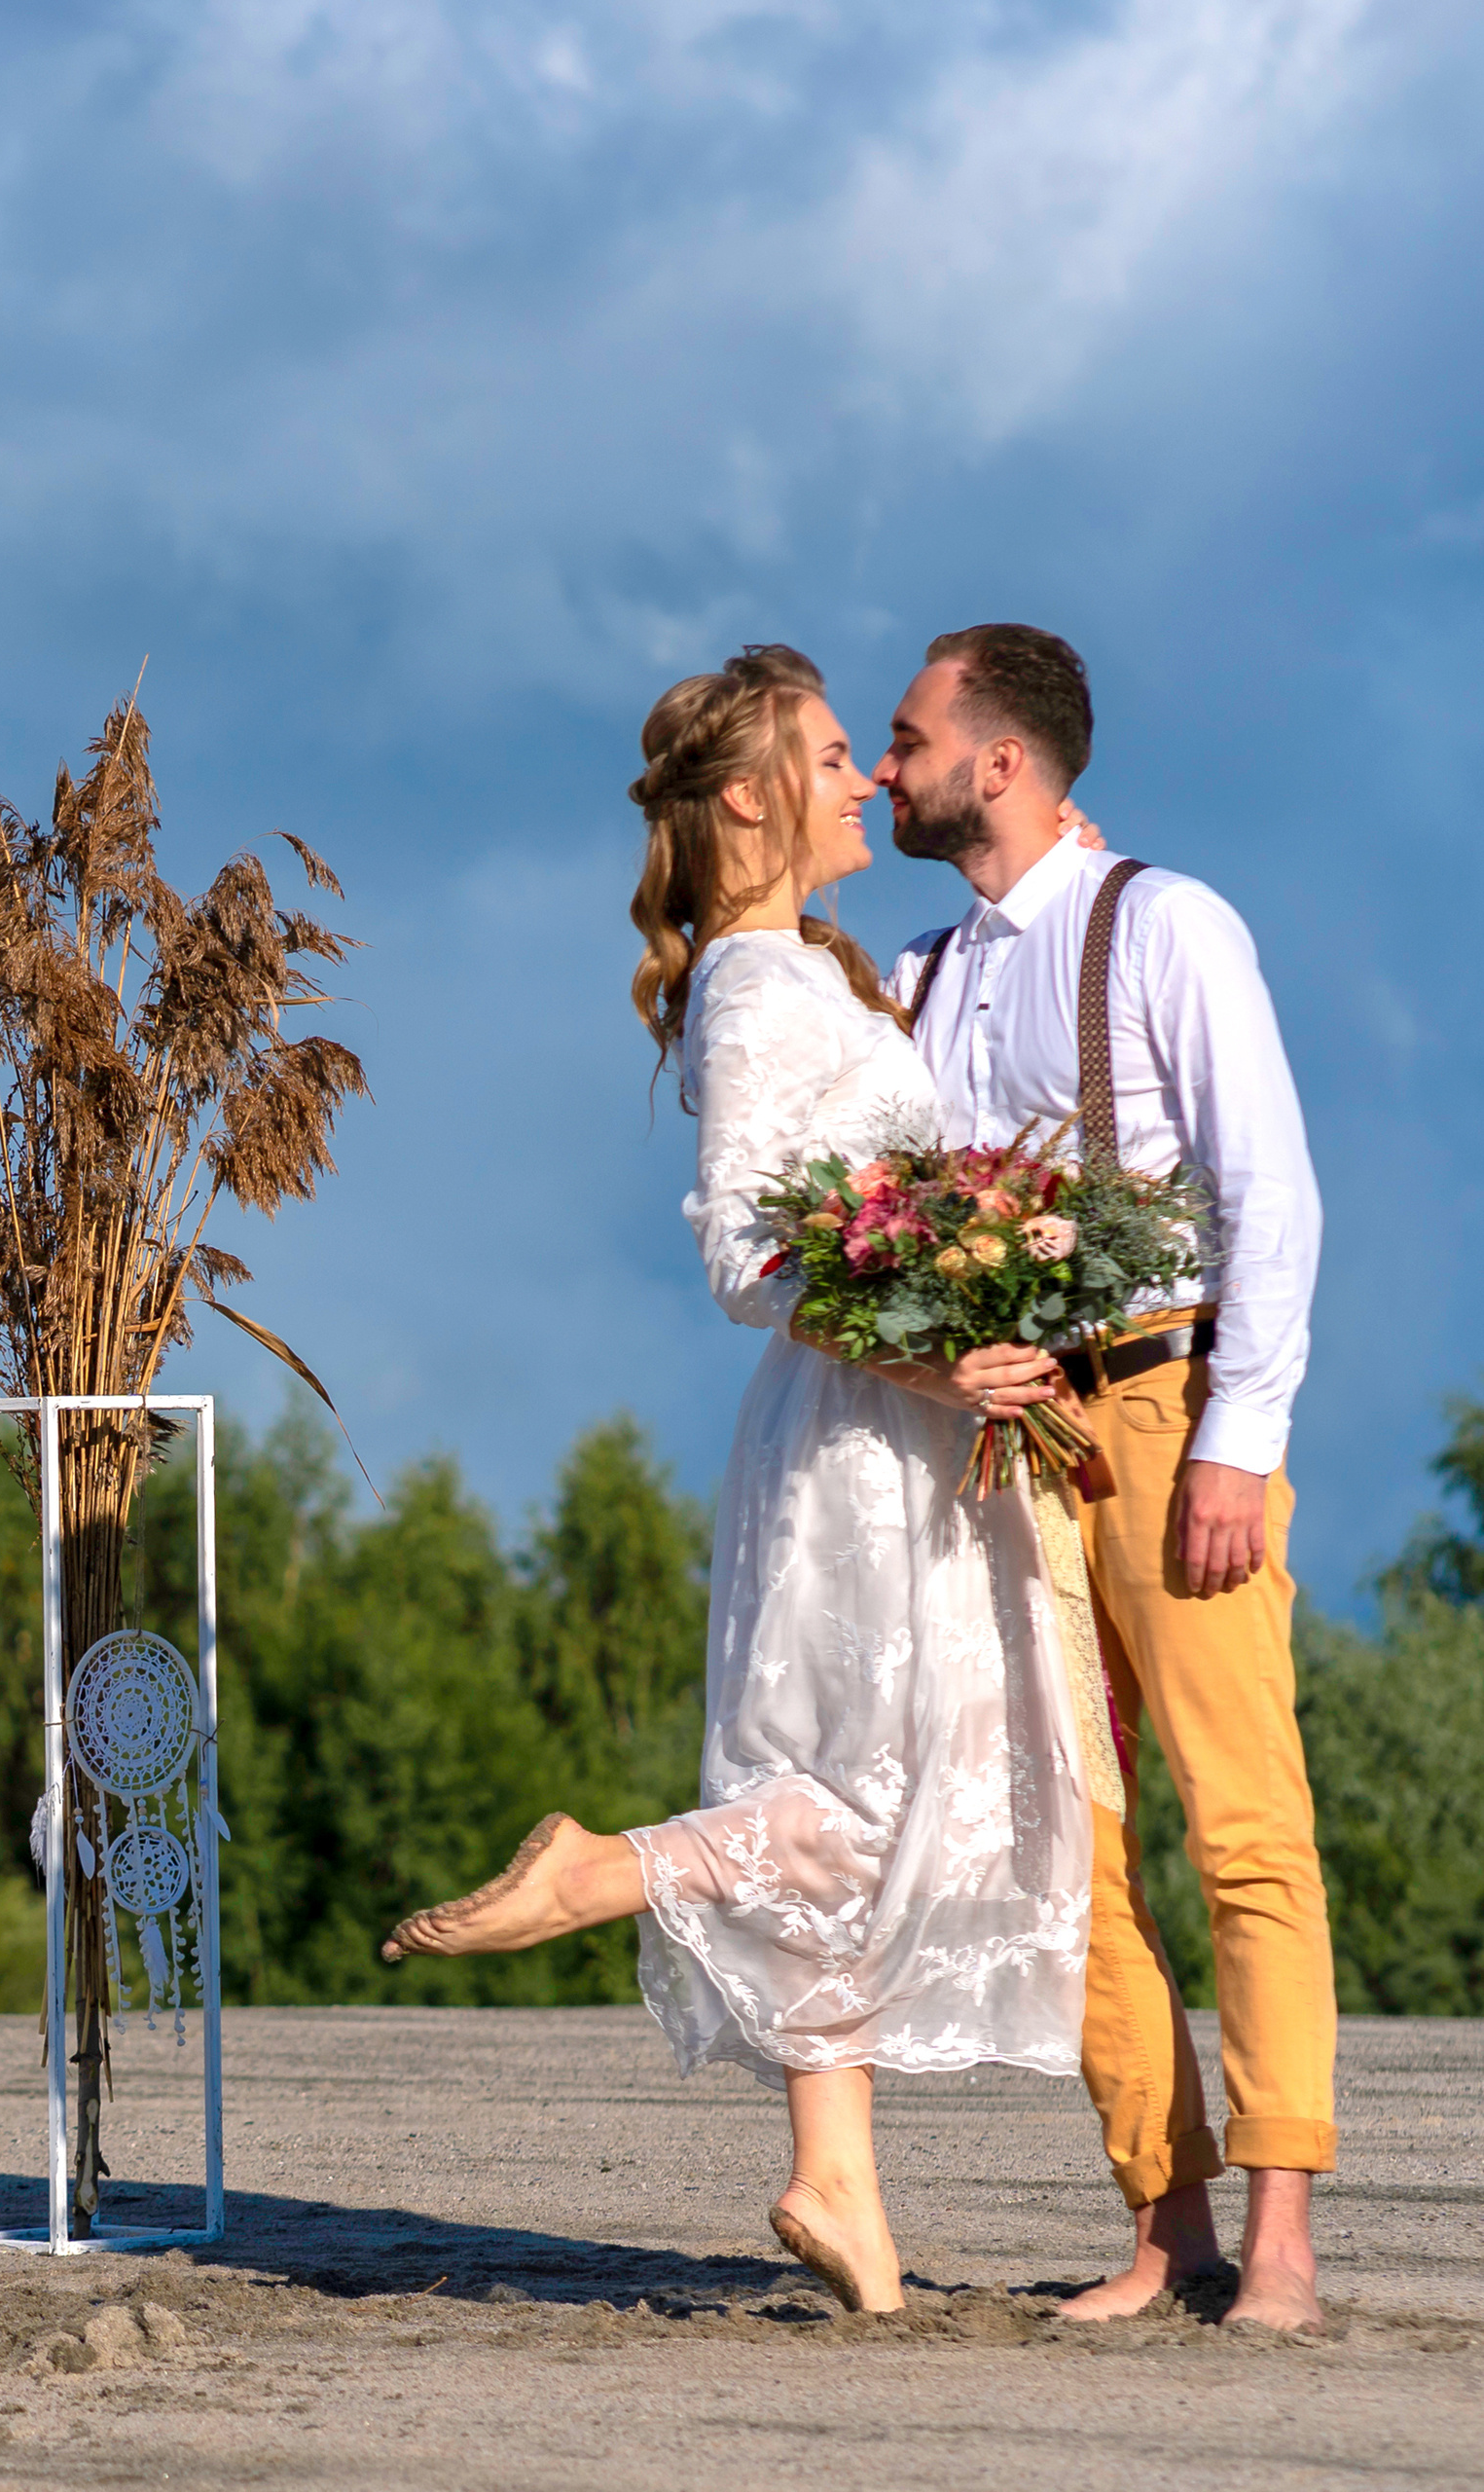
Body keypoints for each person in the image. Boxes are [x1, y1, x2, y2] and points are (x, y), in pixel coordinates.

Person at [383, 644, 1104, 2315]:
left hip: (896, 1422)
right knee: (865, 1804)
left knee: (874, 1784)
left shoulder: (810, 972)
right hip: (864, 1440)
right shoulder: (760, 985)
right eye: (838, 753)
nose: (864, 780)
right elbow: (750, 1254)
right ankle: (598, 1870)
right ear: (749, 793)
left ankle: (836, 2178)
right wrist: (946, 1355)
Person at [877, 624, 1332, 2332]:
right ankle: (1171, 2220)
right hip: (1008, 1437)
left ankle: (1283, 2228)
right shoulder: (920, 973)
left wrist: (1238, 1440)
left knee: (1242, 1823)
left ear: (1001, 762)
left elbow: (1266, 1193)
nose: (887, 762)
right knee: (1069, 1843)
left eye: (909, 737)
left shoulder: (1166, 920)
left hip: (1167, 1410)